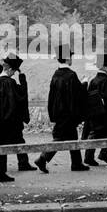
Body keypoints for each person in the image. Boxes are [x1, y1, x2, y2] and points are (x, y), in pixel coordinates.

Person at [35, 44, 89, 173]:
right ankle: (42, 158)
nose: (72, 59)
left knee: (72, 137)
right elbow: (77, 94)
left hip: (58, 112)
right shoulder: (71, 75)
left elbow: (52, 96)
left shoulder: (56, 74)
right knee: (59, 138)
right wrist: (85, 83)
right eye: (70, 57)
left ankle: (76, 163)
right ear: (67, 58)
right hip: (68, 113)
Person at [83, 53, 107, 166]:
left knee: (94, 133)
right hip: (105, 114)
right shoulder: (106, 81)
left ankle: (91, 156)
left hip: (94, 113)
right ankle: (101, 154)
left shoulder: (93, 80)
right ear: (104, 66)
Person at [3, 53, 34, 171]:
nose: (14, 74)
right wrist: (22, 77)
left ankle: (23, 163)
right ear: (10, 69)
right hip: (12, 120)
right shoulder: (9, 83)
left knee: (19, 140)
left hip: (6, 120)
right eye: (14, 71)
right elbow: (22, 95)